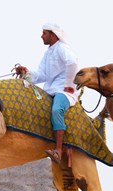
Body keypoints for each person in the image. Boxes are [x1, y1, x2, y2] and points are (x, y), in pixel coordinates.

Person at [14, 23, 79, 164]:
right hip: (50, 89)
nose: (41, 36)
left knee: (56, 110)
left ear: (53, 35)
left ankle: (58, 150)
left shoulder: (62, 48)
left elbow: (73, 63)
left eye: (44, 33)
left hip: (64, 91)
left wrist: (68, 85)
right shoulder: (48, 53)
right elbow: (41, 75)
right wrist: (26, 73)